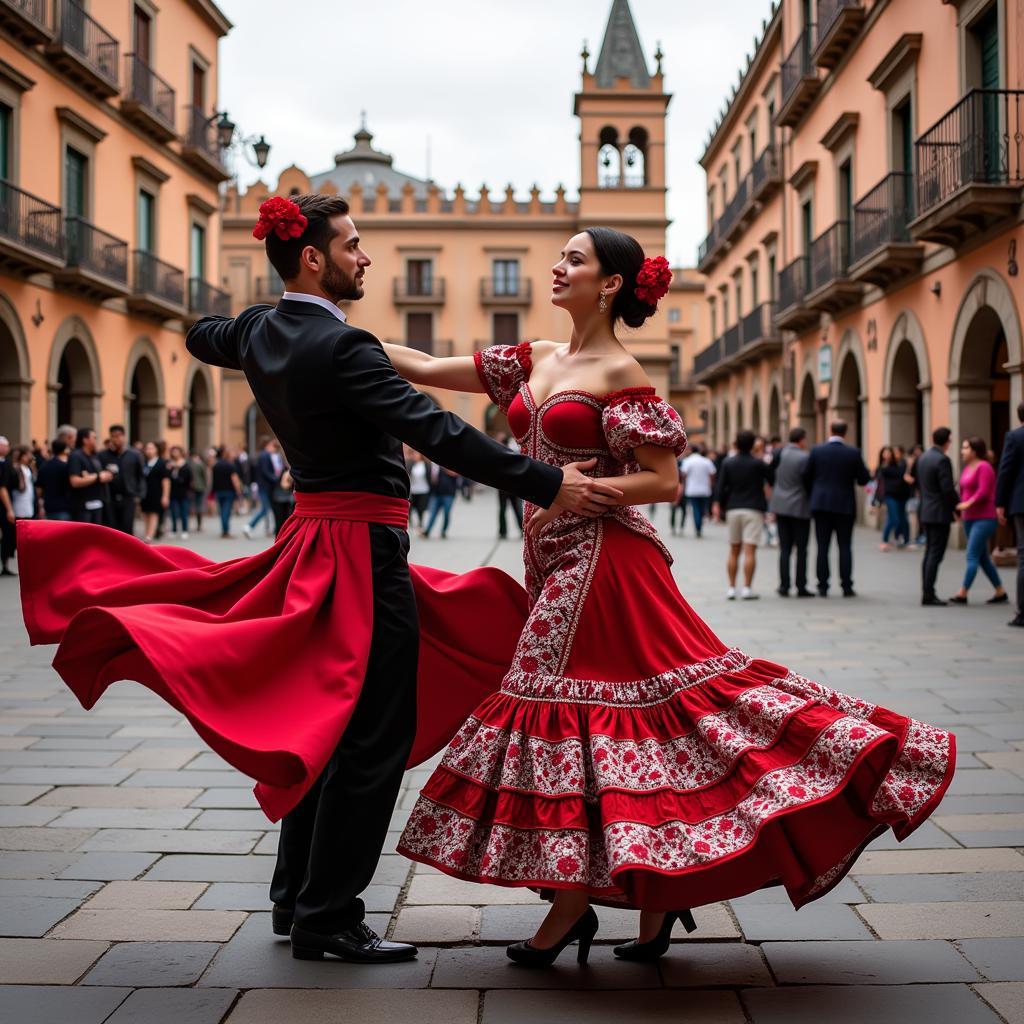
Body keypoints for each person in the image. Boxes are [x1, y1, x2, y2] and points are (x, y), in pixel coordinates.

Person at [13, 193, 616, 970]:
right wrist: (548, 482)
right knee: (374, 734)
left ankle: (297, 894)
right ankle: (329, 917)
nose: (365, 257)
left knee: (327, 720)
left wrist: (248, 325)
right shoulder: (345, 349)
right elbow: (437, 431)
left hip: (310, 538)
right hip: (360, 549)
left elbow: (204, 335)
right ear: (313, 258)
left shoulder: (263, 331)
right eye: (354, 245)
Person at [386, 225, 954, 967]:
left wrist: (573, 490)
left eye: (573, 260)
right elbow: (426, 364)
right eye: (559, 258)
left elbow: (660, 480)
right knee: (628, 718)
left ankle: (570, 906)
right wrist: (334, 334)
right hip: (552, 557)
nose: (557, 269)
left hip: (604, 558)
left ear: (611, 283)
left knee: (555, 705)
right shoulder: (537, 357)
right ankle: (659, 901)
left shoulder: (622, 370)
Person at [803, 420, 870, 598]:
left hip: (821, 504)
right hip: (844, 505)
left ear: (829, 430)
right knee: (845, 546)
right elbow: (864, 479)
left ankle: (822, 586)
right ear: (845, 432)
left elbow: (806, 475)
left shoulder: (817, 451)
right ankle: (846, 586)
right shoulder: (853, 453)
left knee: (822, 546)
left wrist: (814, 493)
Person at [713, 430, 773, 600]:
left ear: (736, 444)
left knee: (733, 550)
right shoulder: (758, 463)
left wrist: (717, 504)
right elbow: (772, 478)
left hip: (733, 508)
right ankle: (747, 588)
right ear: (753, 444)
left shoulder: (728, 463)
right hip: (753, 509)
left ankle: (731, 588)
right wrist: (759, 454)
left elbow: (720, 485)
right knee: (750, 551)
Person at [949, 437, 1006, 605]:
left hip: (985, 518)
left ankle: (963, 593)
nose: (962, 451)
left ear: (974, 451)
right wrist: (960, 511)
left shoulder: (985, 467)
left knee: (972, 555)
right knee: (982, 558)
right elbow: (963, 489)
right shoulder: (967, 468)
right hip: (969, 517)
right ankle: (1000, 591)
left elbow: (984, 491)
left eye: (965, 448)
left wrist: (967, 503)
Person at [914, 426, 959, 607]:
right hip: (939, 512)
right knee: (935, 553)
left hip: (925, 510)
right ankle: (928, 593)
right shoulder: (942, 460)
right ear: (947, 441)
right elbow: (947, 488)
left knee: (929, 552)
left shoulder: (923, 458)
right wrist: (957, 507)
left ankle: (927, 591)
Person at [770, 427, 813, 597]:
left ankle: (784, 585)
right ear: (802, 440)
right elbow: (808, 481)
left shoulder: (778, 454)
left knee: (785, 548)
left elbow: (771, 475)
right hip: (800, 506)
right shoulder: (805, 457)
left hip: (780, 505)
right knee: (801, 549)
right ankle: (800, 586)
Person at [996, 401, 1024, 628]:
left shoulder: (1014, 437)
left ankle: (1023, 612)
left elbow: (1005, 471)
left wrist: (1000, 503)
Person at [99, 425, 145, 535]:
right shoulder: (103, 455)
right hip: (109, 497)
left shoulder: (134, 455)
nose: (116, 439)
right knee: (111, 528)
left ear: (124, 437)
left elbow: (140, 476)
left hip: (129, 497)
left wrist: (139, 495)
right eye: (113, 436)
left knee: (127, 528)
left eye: (119, 436)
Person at [68, 428, 112, 525]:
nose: (96, 440)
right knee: (84, 536)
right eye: (94, 438)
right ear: (85, 440)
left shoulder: (95, 456)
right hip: (82, 506)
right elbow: (75, 481)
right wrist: (97, 477)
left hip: (98, 502)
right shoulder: (76, 456)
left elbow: (98, 475)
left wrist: (92, 477)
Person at [875, 445, 911, 551]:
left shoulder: (900, 464)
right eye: (884, 453)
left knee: (903, 519)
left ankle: (904, 540)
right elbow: (879, 482)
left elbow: (904, 474)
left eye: (889, 453)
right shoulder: (882, 467)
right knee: (894, 519)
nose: (887, 455)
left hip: (902, 495)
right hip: (890, 496)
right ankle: (885, 540)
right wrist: (877, 499)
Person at [244, 437, 279, 539]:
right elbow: (266, 471)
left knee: (267, 508)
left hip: (263, 485)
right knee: (265, 508)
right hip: (265, 486)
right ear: (267, 445)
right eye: (273, 445)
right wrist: (276, 479)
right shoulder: (265, 455)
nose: (274, 448)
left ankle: (268, 529)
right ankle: (249, 526)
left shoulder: (262, 455)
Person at [680, 443, 716, 538]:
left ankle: (698, 527)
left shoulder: (688, 461)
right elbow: (712, 474)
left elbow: (684, 474)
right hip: (705, 489)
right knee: (702, 509)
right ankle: (699, 525)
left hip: (692, 489)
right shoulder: (706, 461)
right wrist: (711, 484)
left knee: (695, 509)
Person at [139, 441, 170, 544]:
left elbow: (166, 481)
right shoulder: (144, 463)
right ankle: (146, 533)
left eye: (151, 448)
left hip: (157, 492)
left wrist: (165, 496)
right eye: (147, 448)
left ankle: (149, 536)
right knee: (146, 513)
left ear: (156, 450)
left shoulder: (161, 463)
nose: (149, 451)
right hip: (145, 492)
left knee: (153, 513)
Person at [497, 433, 525, 540]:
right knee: (512, 509)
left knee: (511, 509)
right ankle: (508, 531)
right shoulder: (514, 451)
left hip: (508, 486)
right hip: (511, 486)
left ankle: (505, 532)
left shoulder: (504, 452)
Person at [210, 446, 242, 538]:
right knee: (226, 511)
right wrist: (238, 491)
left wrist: (213, 490)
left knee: (222, 510)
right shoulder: (231, 465)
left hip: (218, 491)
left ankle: (224, 530)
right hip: (229, 491)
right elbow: (234, 479)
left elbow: (213, 479)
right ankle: (225, 531)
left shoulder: (216, 465)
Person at [36, 440, 72, 522]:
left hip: (48, 505)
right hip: (64, 507)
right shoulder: (66, 467)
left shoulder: (44, 465)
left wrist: (40, 506)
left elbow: (39, 489)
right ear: (65, 450)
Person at [421, 465, 459, 538]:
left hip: (448, 494)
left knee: (446, 513)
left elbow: (454, 474)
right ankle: (427, 531)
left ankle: (443, 532)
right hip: (436, 493)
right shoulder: (435, 466)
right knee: (433, 513)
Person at [167, 446, 193, 540]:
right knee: (173, 512)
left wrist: (177, 473)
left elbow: (188, 479)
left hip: (184, 492)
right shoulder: (169, 465)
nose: (175, 453)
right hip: (173, 492)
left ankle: (184, 530)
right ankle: (174, 529)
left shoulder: (185, 465)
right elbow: (167, 478)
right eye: (173, 452)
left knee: (184, 512)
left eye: (177, 452)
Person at [0, 436, 17, 575]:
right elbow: (2, 488)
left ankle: (4, 564)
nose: (7, 448)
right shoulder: (5, 464)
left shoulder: (7, 462)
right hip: (3, 505)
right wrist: (9, 509)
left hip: (5, 504)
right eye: (5, 446)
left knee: (7, 535)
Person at [405, 449, 431, 530]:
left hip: (423, 490)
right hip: (413, 490)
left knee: (421, 508)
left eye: (417, 454)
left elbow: (429, 476)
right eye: (414, 454)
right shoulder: (410, 464)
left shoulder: (426, 464)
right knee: (411, 507)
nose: (415, 455)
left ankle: (420, 522)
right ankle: (410, 521)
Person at [188, 450, 209, 533]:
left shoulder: (189, 464)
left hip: (191, 487)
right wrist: (205, 485)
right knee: (199, 505)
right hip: (200, 487)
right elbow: (204, 476)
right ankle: (199, 524)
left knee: (193, 505)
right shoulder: (200, 464)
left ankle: (193, 523)